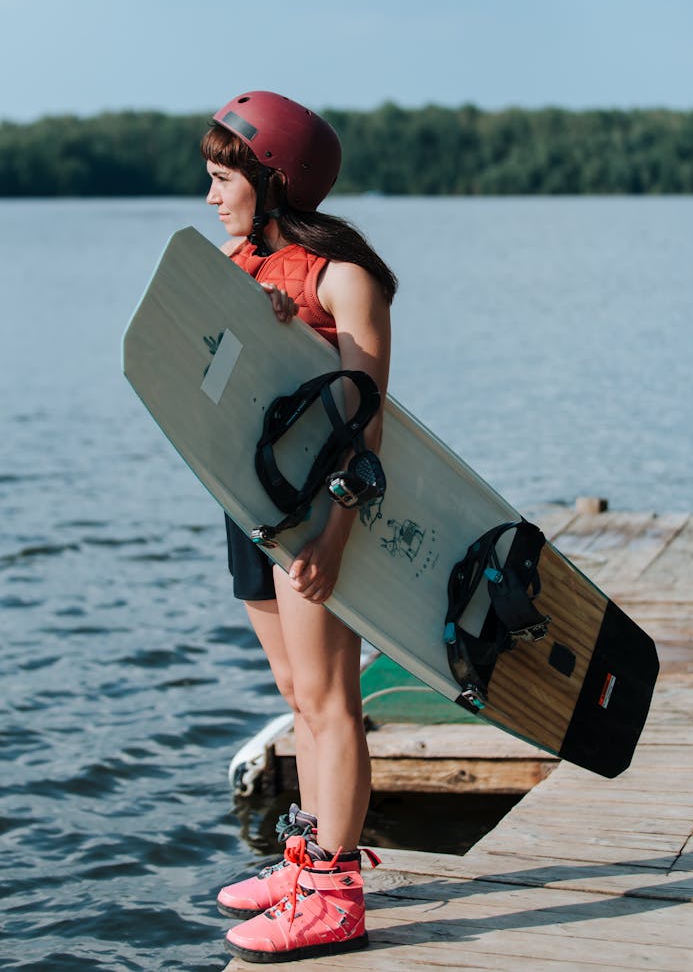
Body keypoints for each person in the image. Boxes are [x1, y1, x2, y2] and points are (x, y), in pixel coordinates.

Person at [201, 91, 397, 962]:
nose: (210, 194)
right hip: (252, 502)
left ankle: (335, 893)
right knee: (294, 695)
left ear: (271, 178)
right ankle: (304, 860)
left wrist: (336, 534)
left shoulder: (344, 277)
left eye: (221, 177)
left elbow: (368, 417)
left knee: (330, 701)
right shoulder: (239, 263)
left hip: (320, 507)